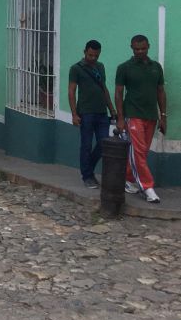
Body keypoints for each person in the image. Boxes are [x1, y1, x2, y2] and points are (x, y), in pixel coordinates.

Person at [115, 34, 167, 203]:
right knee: (137, 151)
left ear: (148, 46)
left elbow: (160, 91)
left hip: (151, 115)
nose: (140, 51)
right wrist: (121, 118)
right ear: (131, 48)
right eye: (136, 49)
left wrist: (163, 116)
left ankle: (129, 180)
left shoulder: (156, 67)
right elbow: (118, 93)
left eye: (143, 48)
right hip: (133, 114)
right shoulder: (124, 68)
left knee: (141, 152)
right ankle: (147, 187)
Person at [67, 40, 117, 189]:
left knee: (103, 143)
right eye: (90, 55)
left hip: (102, 112)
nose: (93, 58)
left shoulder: (100, 67)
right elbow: (71, 92)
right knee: (86, 145)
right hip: (85, 112)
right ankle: (87, 176)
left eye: (96, 55)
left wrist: (112, 110)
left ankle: (89, 168)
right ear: (84, 52)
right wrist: (74, 114)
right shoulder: (76, 68)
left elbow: (104, 88)